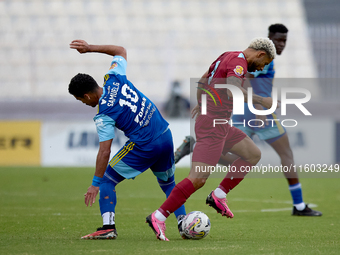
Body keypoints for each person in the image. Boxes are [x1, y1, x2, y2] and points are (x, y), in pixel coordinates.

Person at [174, 24, 322, 217]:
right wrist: (260, 108)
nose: (281, 44)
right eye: (277, 40)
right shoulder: (257, 61)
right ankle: (299, 205)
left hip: (237, 111)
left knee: (241, 156)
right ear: (268, 41)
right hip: (256, 111)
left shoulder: (252, 58)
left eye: (284, 40)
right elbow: (245, 80)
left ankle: (196, 147)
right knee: (286, 154)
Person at [146, 37, 276, 241]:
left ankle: (219, 195)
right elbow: (233, 89)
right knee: (198, 179)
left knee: (252, 154)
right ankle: (158, 216)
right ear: (260, 54)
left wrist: (202, 102)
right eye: (264, 63)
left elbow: (203, 78)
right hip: (213, 126)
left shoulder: (226, 56)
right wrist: (262, 101)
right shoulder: (238, 62)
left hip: (220, 124)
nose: (261, 68)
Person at [68, 39, 186, 240]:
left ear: (86, 96)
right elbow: (120, 50)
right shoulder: (114, 77)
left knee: (107, 180)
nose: (83, 103)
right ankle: (184, 223)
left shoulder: (103, 115)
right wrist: (89, 49)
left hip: (144, 145)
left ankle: (108, 227)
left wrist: (95, 183)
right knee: (168, 184)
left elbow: (105, 151)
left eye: (80, 100)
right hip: (165, 134)